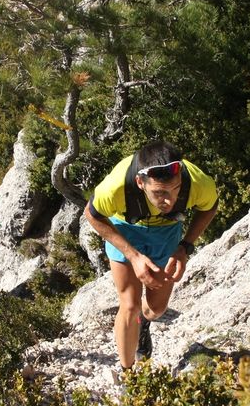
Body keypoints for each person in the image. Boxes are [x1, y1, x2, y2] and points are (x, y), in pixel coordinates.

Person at [84, 141, 218, 373]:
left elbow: (210, 206)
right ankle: (129, 374)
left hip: (166, 233)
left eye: (176, 189)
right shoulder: (117, 187)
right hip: (125, 229)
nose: (169, 200)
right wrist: (133, 256)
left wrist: (185, 247)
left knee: (157, 308)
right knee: (130, 305)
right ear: (140, 182)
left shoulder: (196, 182)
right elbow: (92, 214)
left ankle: (143, 323)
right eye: (159, 193)